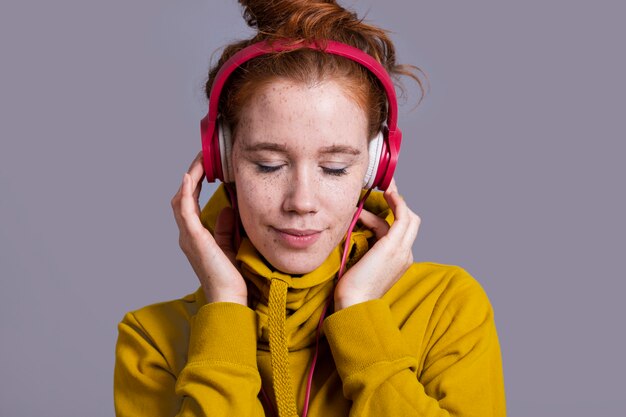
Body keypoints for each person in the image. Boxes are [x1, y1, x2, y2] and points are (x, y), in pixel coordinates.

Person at [113, 1, 507, 416]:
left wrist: (360, 316)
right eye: (268, 165)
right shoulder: (152, 340)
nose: (301, 202)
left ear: (375, 166)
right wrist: (225, 308)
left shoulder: (445, 307)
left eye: (335, 168)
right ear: (221, 159)